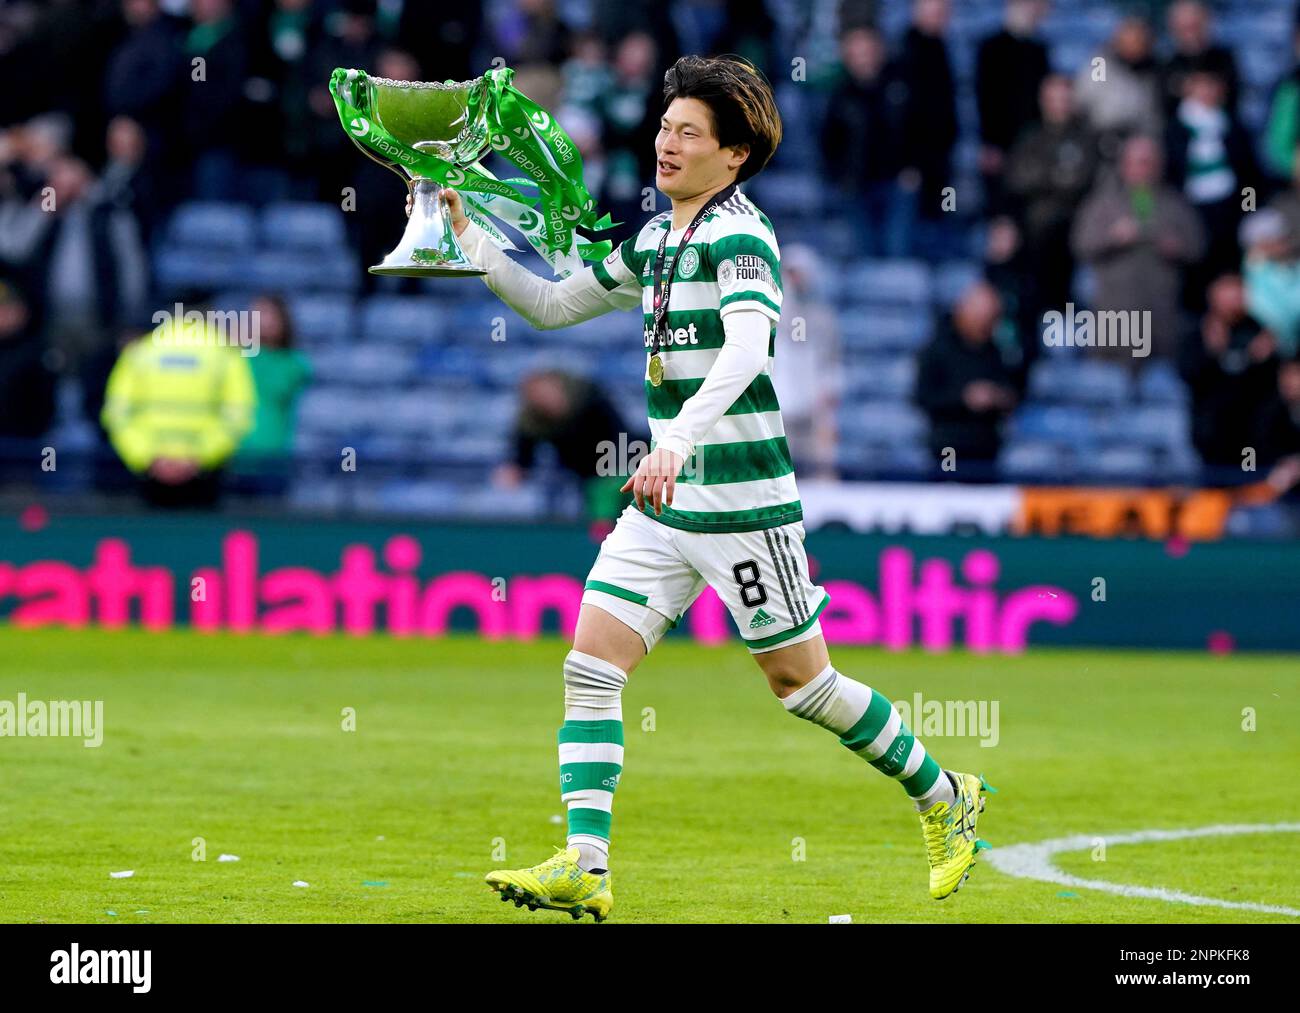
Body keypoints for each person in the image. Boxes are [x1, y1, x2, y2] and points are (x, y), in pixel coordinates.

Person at [415, 54, 994, 921]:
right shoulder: (655, 241)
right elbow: (549, 305)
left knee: (804, 687)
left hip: (743, 503)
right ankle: (585, 860)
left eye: (689, 131)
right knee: (590, 665)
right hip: (664, 501)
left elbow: (750, 347)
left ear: (733, 156)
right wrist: (467, 235)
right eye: (664, 126)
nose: (666, 143)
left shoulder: (742, 234)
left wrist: (678, 438)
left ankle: (945, 792)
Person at [100, 312, 256, 508]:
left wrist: (147, 457)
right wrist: (200, 457)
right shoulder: (225, 353)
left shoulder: (140, 351)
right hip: (204, 477)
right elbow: (238, 416)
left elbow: (117, 414)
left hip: (152, 475)